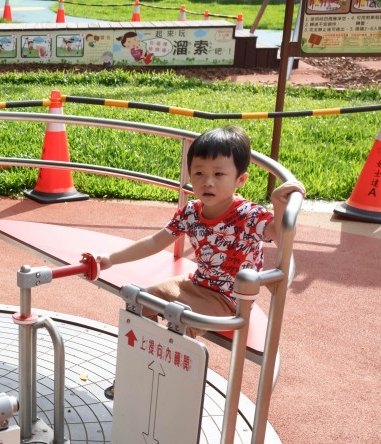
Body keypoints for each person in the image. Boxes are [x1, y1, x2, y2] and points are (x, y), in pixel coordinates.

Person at [94, 125, 305, 400]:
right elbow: (156, 241)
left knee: (180, 319)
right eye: (199, 173)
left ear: (240, 179)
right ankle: (134, 370)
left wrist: (278, 203)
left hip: (229, 298)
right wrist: (111, 259)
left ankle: (171, 384)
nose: (208, 182)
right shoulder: (192, 212)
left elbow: (279, 233)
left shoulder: (247, 215)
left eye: (219, 174)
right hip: (198, 283)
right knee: (141, 299)